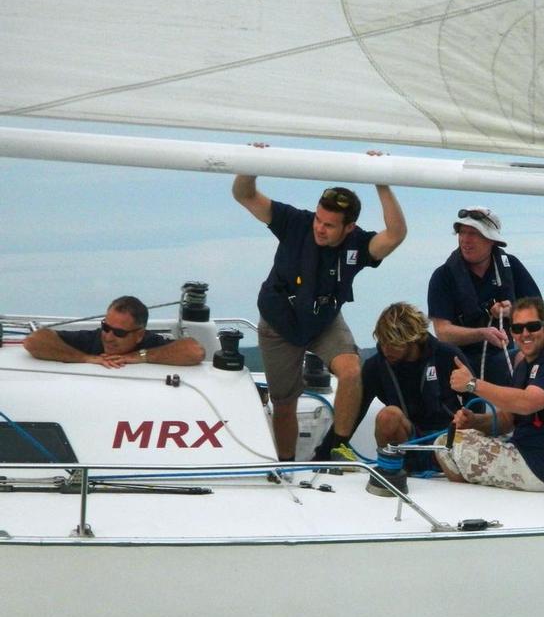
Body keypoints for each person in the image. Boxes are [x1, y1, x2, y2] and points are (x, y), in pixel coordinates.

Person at [232, 152, 407, 461]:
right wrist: (252, 163)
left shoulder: (358, 244)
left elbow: (395, 235)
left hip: (323, 320)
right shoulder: (294, 223)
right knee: (284, 402)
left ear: (349, 227)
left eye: (329, 225)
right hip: (280, 323)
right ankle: (286, 465)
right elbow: (244, 195)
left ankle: (333, 449)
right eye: (318, 219)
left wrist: (381, 181)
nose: (319, 228)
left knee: (352, 371)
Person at [441, 296, 544, 493]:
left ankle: (471, 500)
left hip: (543, 471)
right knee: (458, 435)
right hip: (527, 455)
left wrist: (472, 384)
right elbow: (507, 420)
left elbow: (527, 403)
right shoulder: (527, 365)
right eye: (518, 329)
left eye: (533, 326)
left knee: (445, 444)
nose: (525, 334)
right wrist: (474, 421)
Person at [427, 207, 540, 387]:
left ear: (491, 240)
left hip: (502, 356)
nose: (465, 240)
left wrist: (513, 312)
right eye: (462, 232)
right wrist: (483, 334)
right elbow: (443, 332)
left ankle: (527, 412)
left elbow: (539, 313)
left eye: (473, 233)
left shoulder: (511, 266)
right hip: (458, 360)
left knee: (524, 359)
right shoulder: (443, 276)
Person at [355, 302, 472, 473]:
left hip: (448, 442)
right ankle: (390, 474)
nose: (386, 350)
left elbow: (475, 406)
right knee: (388, 416)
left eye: (394, 344)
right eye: (383, 342)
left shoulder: (448, 356)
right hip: (408, 443)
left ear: (413, 339)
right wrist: (325, 453)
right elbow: (355, 412)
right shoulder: (376, 366)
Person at [23, 295, 204, 368]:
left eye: (119, 333)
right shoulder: (90, 340)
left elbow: (194, 351)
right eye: (106, 327)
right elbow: (34, 340)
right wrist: (86, 358)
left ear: (139, 334)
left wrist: (140, 356)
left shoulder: (150, 343)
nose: (108, 337)